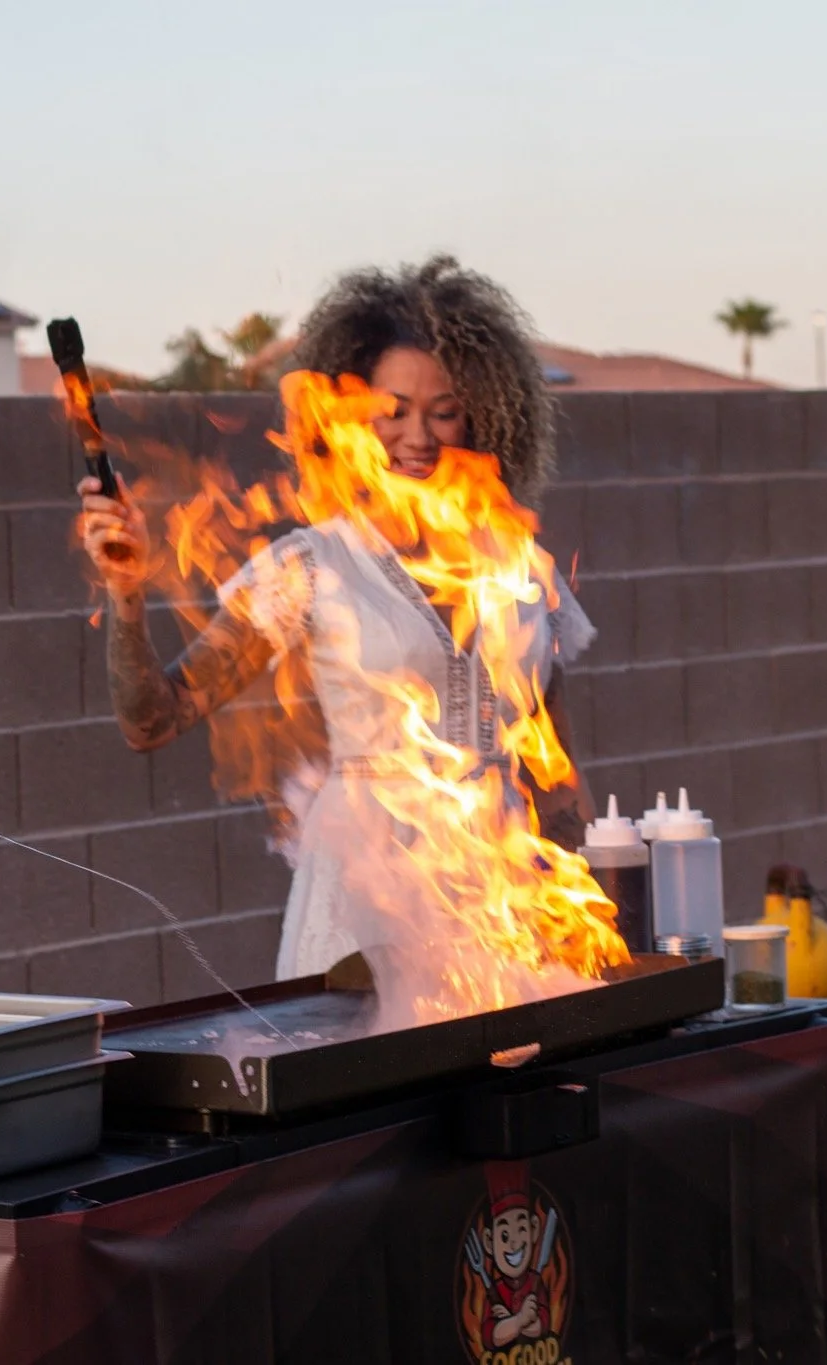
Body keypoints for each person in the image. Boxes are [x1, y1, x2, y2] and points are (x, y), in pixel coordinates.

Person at [78, 256, 597, 981]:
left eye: (443, 409)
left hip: (505, 886)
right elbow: (151, 719)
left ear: (481, 414)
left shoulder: (521, 567)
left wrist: (587, 903)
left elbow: (561, 779)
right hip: (365, 895)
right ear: (350, 413)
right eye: (393, 410)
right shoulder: (311, 566)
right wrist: (126, 589)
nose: (418, 436)